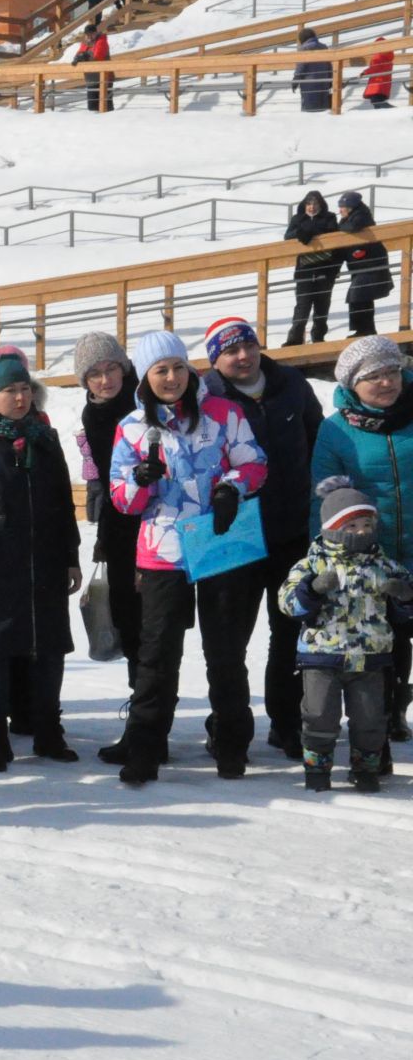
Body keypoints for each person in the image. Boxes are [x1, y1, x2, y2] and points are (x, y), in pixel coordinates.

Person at [106, 330, 268, 786]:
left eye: (178, 367)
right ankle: (145, 748)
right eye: (161, 370)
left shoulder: (223, 412)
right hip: (164, 551)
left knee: (225, 652)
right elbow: (121, 499)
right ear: (145, 378)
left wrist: (229, 487)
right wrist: (140, 480)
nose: (172, 377)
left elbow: (254, 461)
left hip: (218, 544)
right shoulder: (133, 426)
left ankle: (232, 746)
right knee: (157, 655)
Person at [0, 349, 82, 771]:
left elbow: (62, 501)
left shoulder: (45, 437)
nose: (21, 398)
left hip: (44, 565)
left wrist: (70, 557)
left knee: (49, 650)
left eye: (25, 389)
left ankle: (48, 734)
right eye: (10, 390)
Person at [203, 316, 321, 758]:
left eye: (247, 345)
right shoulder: (206, 395)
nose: (242, 356)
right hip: (232, 535)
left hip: (290, 530)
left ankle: (287, 724)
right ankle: (228, 726)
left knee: (290, 632)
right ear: (216, 359)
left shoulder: (290, 382)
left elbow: (317, 437)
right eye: (230, 350)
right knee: (227, 638)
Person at [310, 336, 413, 744]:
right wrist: (324, 556)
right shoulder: (336, 431)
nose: (387, 382)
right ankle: (388, 712)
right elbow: (323, 497)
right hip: (373, 552)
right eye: (374, 376)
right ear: (353, 384)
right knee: (387, 635)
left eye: (392, 372)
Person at [282, 477, 413, 792]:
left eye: (366, 524)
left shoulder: (385, 566)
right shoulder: (311, 564)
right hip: (322, 656)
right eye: (352, 525)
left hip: (371, 657)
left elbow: (406, 615)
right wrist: (311, 589)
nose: (362, 532)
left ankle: (365, 770)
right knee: (319, 716)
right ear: (333, 528)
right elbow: (288, 604)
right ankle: (317, 770)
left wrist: (403, 595)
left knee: (370, 719)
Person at [75, 333, 145, 695]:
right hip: (118, 524)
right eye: (95, 374)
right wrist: (103, 535)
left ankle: (154, 711)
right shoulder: (92, 413)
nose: (105, 380)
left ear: (124, 367)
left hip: (155, 522)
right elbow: (106, 479)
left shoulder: (144, 399)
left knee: (157, 625)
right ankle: (140, 706)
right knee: (127, 619)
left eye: (111, 368)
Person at [285, 191, 341, 345]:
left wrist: (311, 231)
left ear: (321, 205)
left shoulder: (329, 217)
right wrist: (300, 232)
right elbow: (288, 237)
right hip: (305, 269)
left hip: (325, 268)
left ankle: (318, 337)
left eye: (315, 204)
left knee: (322, 305)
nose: (312, 207)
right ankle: (294, 338)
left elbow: (332, 233)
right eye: (309, 204)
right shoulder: (298, 219)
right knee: (302, 306)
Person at [338, 191, 392, 337]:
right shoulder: (347, 219)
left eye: (342, 207)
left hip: (371, 264)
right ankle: (365, 329)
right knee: (362, 296)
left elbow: (354, 226)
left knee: (358, 294)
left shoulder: (361, 215)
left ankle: (364, 329)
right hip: (361, 265)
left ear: (350, 207)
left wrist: (337, 230)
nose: (340, 210)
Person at [75, 20, 113, 112]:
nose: (89, 36)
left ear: (95, 33)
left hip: (104, 78)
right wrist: (79, 57)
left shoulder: (101, 41)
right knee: (92, 107)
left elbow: (98, 57)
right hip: (91, 78)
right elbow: (77, 56)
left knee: (106, 106)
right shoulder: (85, 44)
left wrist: (85, 56)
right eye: (87, 34)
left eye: (91, 34)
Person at [293, 30, 332, 113]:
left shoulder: (304, 49)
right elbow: (329, 65)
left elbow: (301, 66)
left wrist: (295, 80)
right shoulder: (324, 47)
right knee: (323, 110)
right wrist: (331, 79)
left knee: (310, 111)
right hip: (324, 82)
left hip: (309, 83)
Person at [361, 38, 395, 108]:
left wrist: (364, 72)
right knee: (378, 102)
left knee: (375, 101)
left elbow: (375, 67)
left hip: (377, 83)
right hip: (384, 84)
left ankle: (393, 110)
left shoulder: (378, 56)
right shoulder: (388, 57)